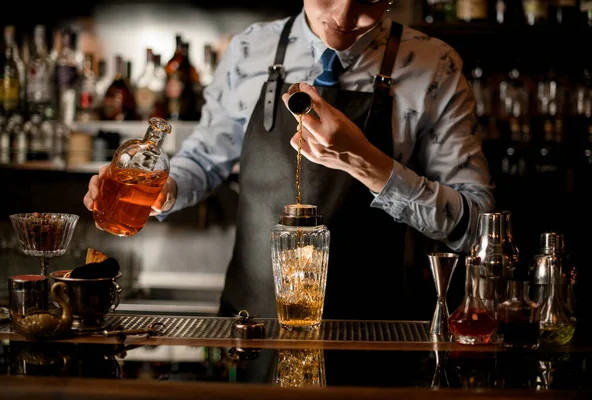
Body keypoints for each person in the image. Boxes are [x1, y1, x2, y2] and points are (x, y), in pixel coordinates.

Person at [83, 0, 495, 321]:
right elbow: (205, 160)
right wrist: (161, 190)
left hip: (372, 333)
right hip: (251, 325)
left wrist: (365, 161)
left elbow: (477, 228)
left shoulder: (434, 66)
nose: (344, 16)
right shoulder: (248, 50)